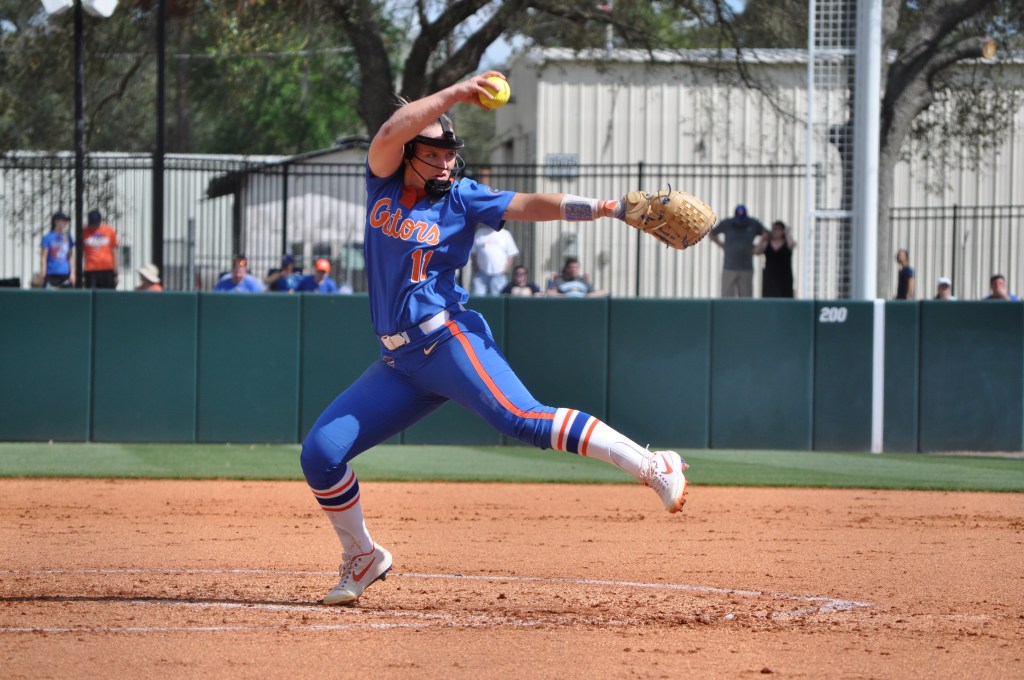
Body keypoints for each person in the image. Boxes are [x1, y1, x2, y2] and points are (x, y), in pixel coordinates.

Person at [300, 71, 688, 607]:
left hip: (448, 340)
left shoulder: (461, 198)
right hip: (400, 364)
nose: (445, 162)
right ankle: (363, 555)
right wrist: (458, 91)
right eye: (433, 153)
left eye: (449, 153)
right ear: (409, 153)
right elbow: (391, 129)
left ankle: (652, 463)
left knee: (520, 418)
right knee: (320, 454)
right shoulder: (383, 182)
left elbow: (528, 204)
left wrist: (606, 208)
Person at [710, 204, 768, 297]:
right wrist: (721, 245)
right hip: (729, 267)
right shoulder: (727, 223)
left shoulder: (753, 223)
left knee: (746, 297)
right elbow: (712, 234)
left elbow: (767, 234)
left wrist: (759, 246)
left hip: (746, 268)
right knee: (726, 296)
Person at [470, 224, 518, 296]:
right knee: (478, 299)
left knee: (497, 301)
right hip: (481, 274)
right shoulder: (480, 233)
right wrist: (475, 267)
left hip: (499, 274)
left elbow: (511, 254)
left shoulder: (505, 234)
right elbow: (473, 252)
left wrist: (505, 270)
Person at [754, 220, 796, 298]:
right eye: (774, 229)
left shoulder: (787, 243)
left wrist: (787, 233)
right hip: (770, 276)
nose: (775, 231)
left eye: (778, 229)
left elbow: (792, 245)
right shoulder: (767, 243)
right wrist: (762, 239)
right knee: (769, 296)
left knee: (785, 296)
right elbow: (756, 252)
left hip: (784, 276)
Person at [82, 209, 119, 289]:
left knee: (107, 296)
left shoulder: (109, 231)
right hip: (91, 269)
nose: (94, 225)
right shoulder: (85, 232)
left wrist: (115, 273)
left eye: (96, 222)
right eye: (93, 223)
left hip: (107, 269)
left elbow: (115, 252)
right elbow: (82, 252)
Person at [39, 211, 75, 289]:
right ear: (56, 221)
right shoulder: (48, 237)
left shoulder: (68, 237)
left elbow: (70, 257)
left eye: (66, 221)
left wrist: (72, 273)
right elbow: (43, 258)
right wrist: (43, 275)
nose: (65, 223)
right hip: (51, 274)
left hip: (65, 274)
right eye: (63, 220)